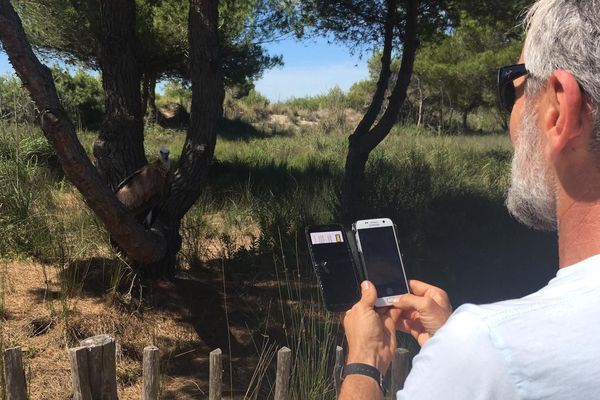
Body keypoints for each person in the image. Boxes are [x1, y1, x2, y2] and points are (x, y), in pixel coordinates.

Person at [339, 0, 600, 399]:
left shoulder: (488, 349)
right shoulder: (483, 354)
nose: (510, 117)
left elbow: (505, 365)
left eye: (512, 85)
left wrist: (364, 362)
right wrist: (454, 349)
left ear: (558, 111)